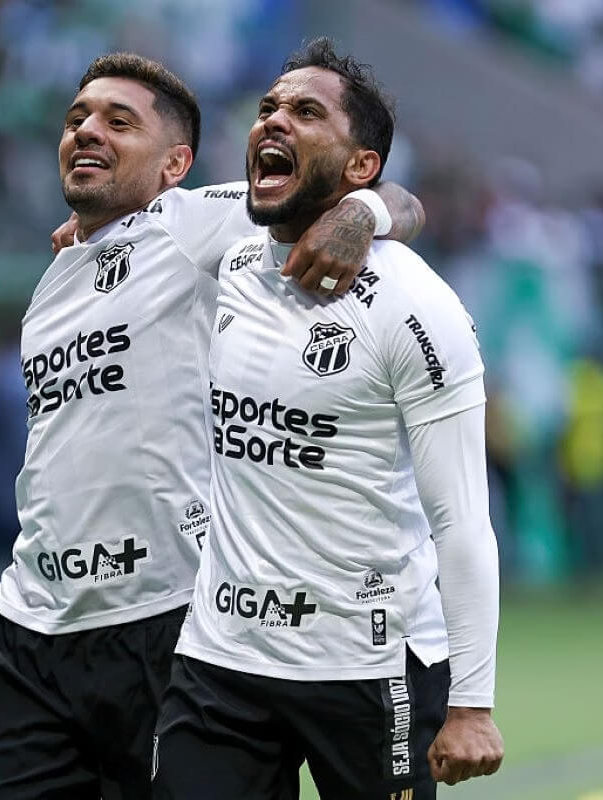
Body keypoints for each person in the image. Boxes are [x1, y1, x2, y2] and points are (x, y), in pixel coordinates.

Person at [0, 52, 425, 800]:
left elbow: (390, 196)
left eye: (119, 122)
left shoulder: (191, 225)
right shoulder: (54, 280)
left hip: (166, 622)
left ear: (175, 164)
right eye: (77, 119)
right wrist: (15, 594)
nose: (87, 131)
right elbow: (64, 462)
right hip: (35, 630)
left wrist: (363, 217)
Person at [153, 39, 504, 800]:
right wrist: (86, 238)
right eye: (268, 108)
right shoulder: (232, 244)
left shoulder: (417, 306)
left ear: (360, 165)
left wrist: (473, 702)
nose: (273, 121)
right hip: (222, 657)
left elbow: (461, 520)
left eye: (306, 112)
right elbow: (128, 213)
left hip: (368, 663)